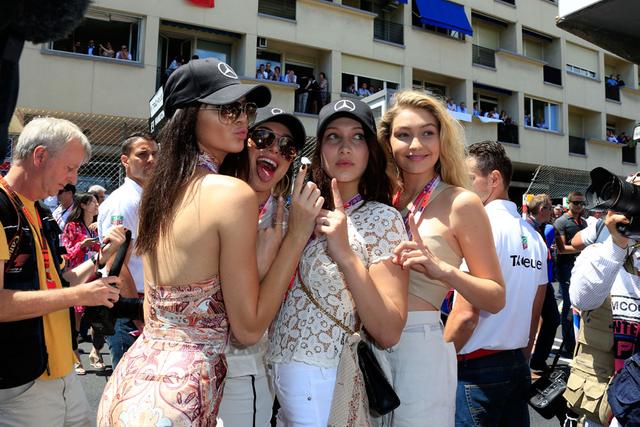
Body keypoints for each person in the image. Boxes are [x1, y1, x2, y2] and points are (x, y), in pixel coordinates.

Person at [97, 57, 321, 426]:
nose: (242, 119)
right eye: (227, 108)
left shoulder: (159, 192)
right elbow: (248, 329)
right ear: (188, 116)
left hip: (131, 384)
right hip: (185, 395)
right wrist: (297, 234)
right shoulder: (231, 195)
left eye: (245, 109)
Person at [267, 98, 410, 426]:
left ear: (370, 151)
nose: (345, 147)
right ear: (320, 151)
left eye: (357, 137)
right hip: (272, 374)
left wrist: (345, 253)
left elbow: (388, 331)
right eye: (333, 137)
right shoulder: (295, 212)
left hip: (326, 379)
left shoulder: (383, 219)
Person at [376, 92, 506, 426]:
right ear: (388, 141)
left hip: (419, 345)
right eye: (403, 134)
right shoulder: (382, 199)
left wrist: (442, 269)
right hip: (369, 341)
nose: (415, 144)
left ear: (441, 138)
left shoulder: (461, 202)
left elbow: (494, 296)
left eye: (427, 133)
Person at [0, 117, 126, 426]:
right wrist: (80, 295)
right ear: (39, 156)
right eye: (70, 168)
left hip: (64, 373)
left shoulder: (40, 211)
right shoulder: (2, 207)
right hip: (22, 384)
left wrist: (98, 259)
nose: (73, 179)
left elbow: (59, 282)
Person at [446, 141, 547, 426]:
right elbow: (534, 314)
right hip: (516, 364)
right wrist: (520, 359)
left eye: (469, 180)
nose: (462, 188)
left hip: (476, 368)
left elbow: (466, 315)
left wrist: (437, 361)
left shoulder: (480, 227)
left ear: (494, 179)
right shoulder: (535, 237)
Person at [217, 107, 307, 426]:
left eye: (287, 147)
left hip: (243, 368)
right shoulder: (211, 199)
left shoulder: (287, 225)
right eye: (264, 138)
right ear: (245, 142)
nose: (274, 150)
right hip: (190, 366)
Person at [97, 132, 158, 368]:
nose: (151, 159)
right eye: (143, 154)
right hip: (130, 310)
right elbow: (116, 261)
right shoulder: (124, 201)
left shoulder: (145, 198)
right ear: (125, 161)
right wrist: (137, 315)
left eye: (155, 154)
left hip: (144, 305)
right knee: (127, 391)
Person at [61, 193, 103, 374]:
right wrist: (82, 245)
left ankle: (96, 352)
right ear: (84, 205)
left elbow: (106, 249)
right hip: (78, 277)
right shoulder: (72, 226)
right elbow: (66, 253)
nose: (97, 205)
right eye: (93, 202)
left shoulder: (97, 226)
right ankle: (75, 357)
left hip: (96, 275)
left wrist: (100, 235)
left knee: (99, 318)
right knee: (76, 321)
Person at [526, 194, 561, 373]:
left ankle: (537, 361)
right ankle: (531, 362)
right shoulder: (528, 229)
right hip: (530, 280)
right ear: (542, 210)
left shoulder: (541, 228)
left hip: (542, 281)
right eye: (549, 208)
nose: (552, 211)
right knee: (528, 321)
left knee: (552, 319)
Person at [555, 191, 587, 355]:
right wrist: (584, 247)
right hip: (566, 268)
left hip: (581, 268)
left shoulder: (584, 222)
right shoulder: (561, 222)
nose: (580, 206)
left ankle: (577, 340)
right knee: (568, 304)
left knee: (581, 305)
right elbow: (561, 249)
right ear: (569, 203)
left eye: (582, 203)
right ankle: (568, 345)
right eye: (576, 203)